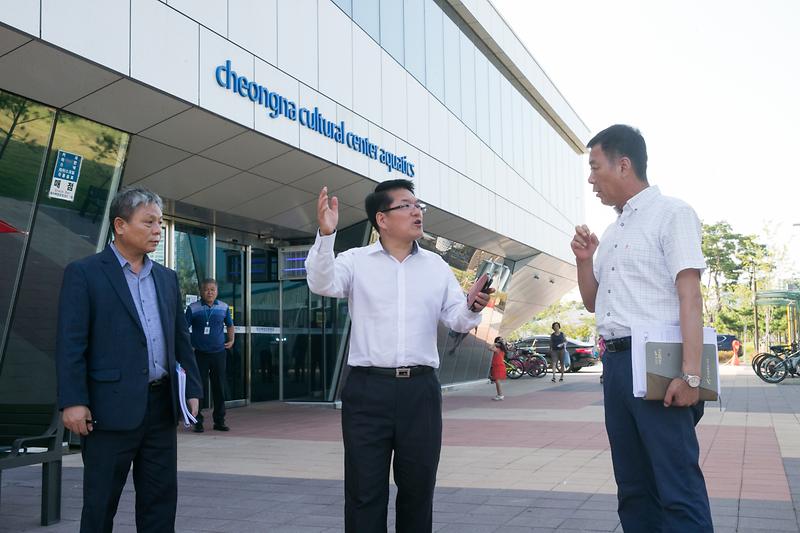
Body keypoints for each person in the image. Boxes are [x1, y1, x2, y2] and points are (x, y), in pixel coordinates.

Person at [305, 180, 492, 533]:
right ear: (382, 219)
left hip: (419, 391)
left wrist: (472, 306)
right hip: (367, 390)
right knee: (364, 492)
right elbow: (321, 283)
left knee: (418, 491)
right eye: (405, 205)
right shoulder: (356, 261)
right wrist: (326, 234)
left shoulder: (436, 266)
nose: (416, 211)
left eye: (417, 204)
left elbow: (456, 317)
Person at [571, 124, 713, 531]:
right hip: (615, 363)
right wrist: (585, 260)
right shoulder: (614, 232)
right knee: (632, 487)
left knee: (676, 485)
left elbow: (690, 295)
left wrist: (691, 373)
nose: (591, 178)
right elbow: (595, 303)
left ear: (624, 164)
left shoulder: (672, 213)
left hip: (659, 359)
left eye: (595, 167)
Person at [56, 186, 202, 533]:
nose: (158, 230)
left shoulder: (166, 279)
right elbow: (70, 343)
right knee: (100, 504)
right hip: (108, 412)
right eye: (149, 222)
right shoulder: (85, 273)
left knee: (160, 503)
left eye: (160, 223)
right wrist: (73, 401)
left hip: (160, 409)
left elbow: (181, 340)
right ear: (120, 225)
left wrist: (192, 388)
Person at [185, 278, 234, 432]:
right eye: (206, 289)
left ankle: (219, 421)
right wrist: (188, 346)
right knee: (199, 388)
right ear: (201, 291)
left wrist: (231, 340)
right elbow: (184, 329)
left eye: (213, 289)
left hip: (218, 353)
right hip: (199, 354)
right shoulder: (193, 308)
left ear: (217, 291)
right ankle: (197, 421)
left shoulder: (224, 307)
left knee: (219, 387)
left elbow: (230, 325)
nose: (210, 292)